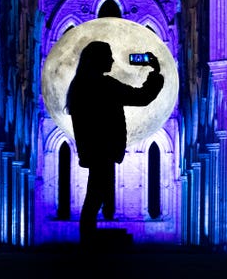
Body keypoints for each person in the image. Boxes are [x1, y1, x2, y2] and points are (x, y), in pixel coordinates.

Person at [66, 40, 164, 246]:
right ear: (97, 60)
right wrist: (155, 73)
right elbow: (142, 96)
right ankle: (88, 243)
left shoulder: (79, 86)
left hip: (92, 150)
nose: (111, 59)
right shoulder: (104, 85)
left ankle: (87, 240)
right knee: (95, 196)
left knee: (95, 194)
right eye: (108, 56)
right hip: (104, 149)